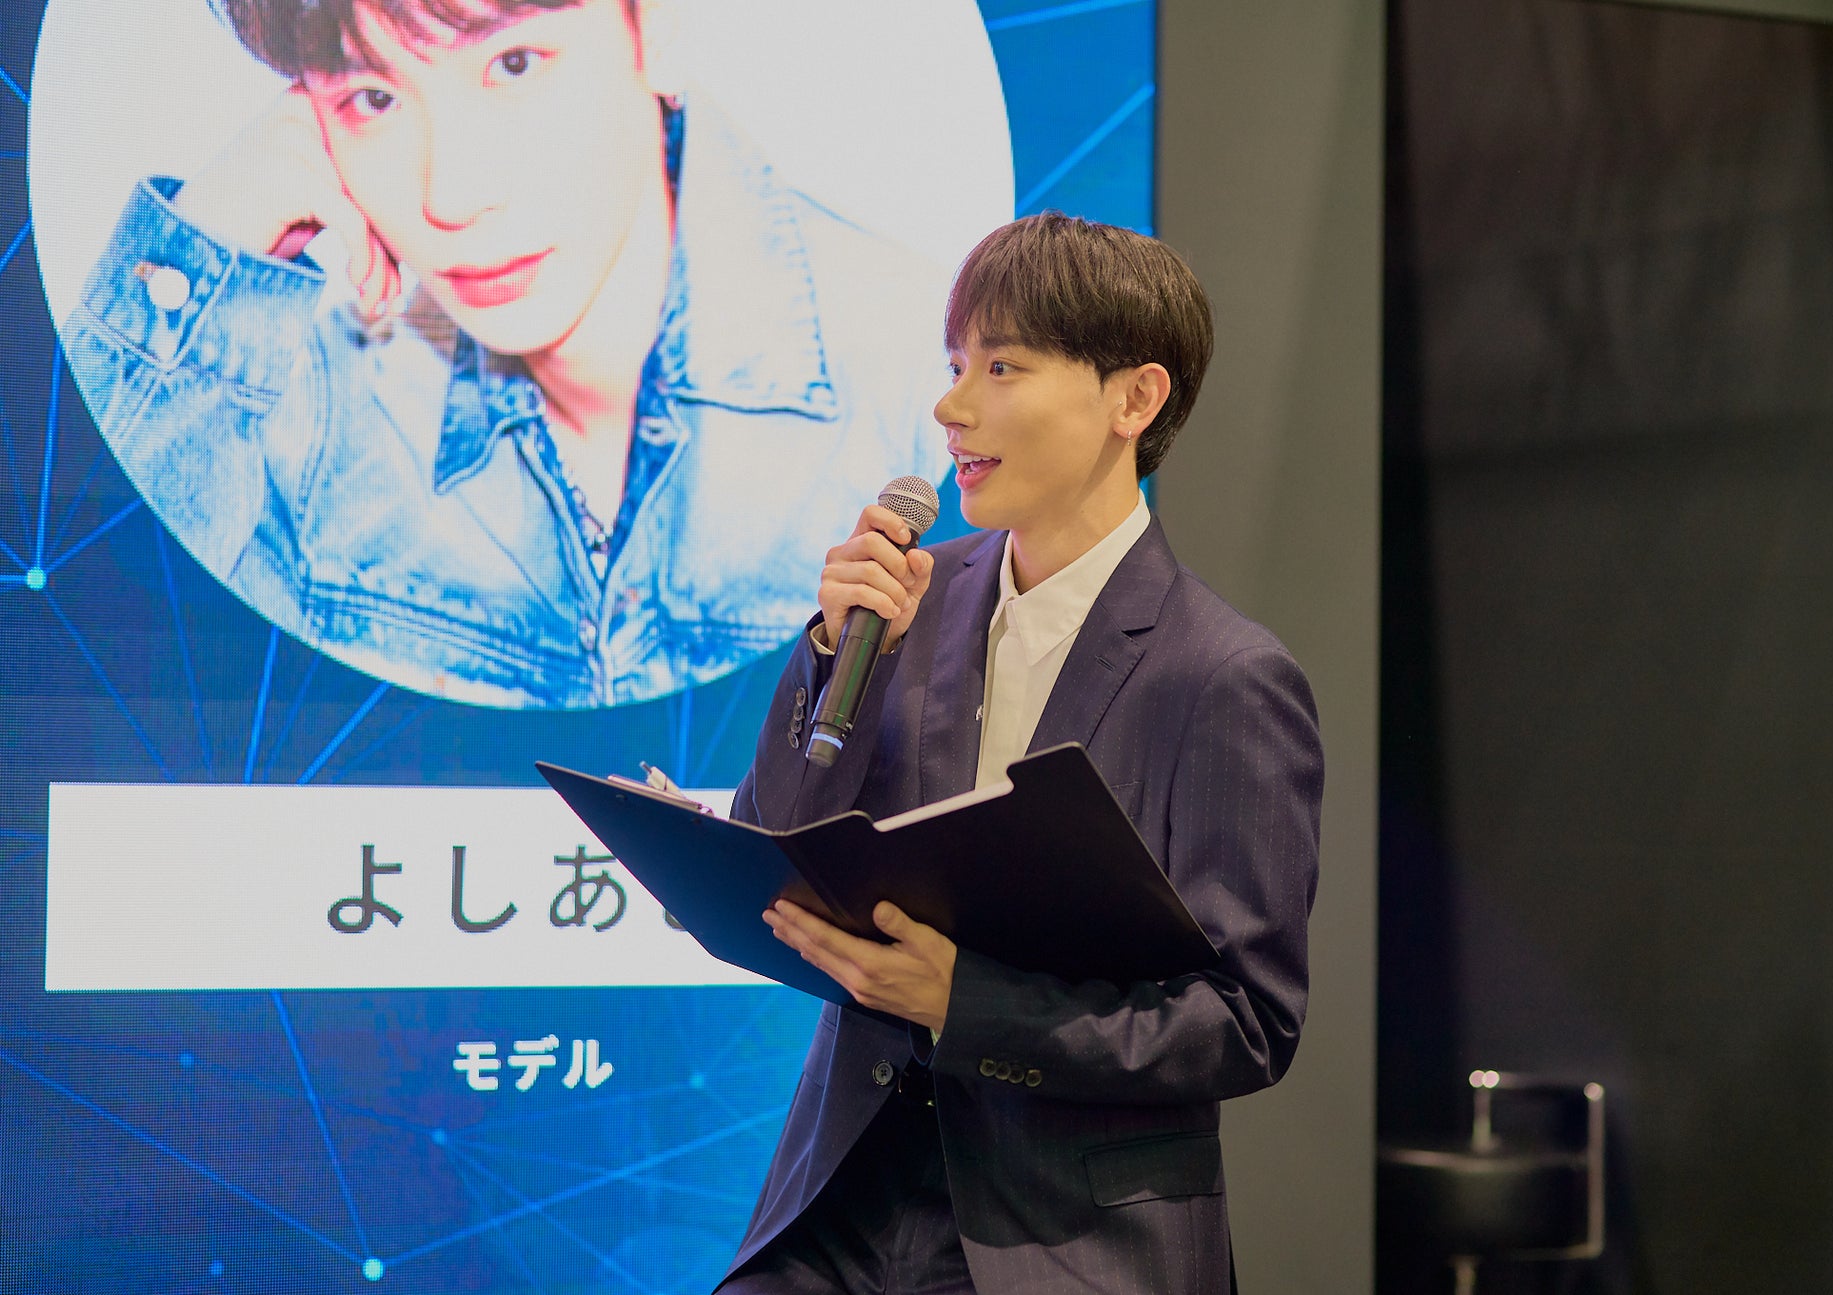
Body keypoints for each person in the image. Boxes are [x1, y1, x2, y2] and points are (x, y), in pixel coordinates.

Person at [719, 214, 1324, 1294]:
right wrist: (831, 651)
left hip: (1064, 1237)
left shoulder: (1223, 675)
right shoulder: (907, 598)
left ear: (1133, 400)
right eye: (955, 365)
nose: (952, 407)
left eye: (1001, 367)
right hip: (841, 1204)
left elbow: (1245, 1022)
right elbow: (772, 842)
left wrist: (967, 1003)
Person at [60, 0, 945, 709]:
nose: (451, 193)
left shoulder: (922, 390)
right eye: (373, 99)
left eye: (515, 64)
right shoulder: (292, 424)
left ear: (657, 23)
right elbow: (84, 673)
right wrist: (201, 255)